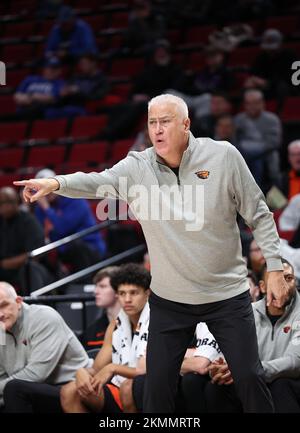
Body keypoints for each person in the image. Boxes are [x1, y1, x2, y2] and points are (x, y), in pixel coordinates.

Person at [14, 93, 289, 413]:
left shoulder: (223, 156)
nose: (156, 130)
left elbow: (259, 214)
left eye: (165, 122)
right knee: (156, 389)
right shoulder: (137, 166)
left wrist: (273, 266)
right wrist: (55, 184)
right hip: (171, 301)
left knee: (249, 378)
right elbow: (97, 181)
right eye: (152, 123)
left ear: (186, 124)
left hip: (226, 294)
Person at [206, 258, 300, 413]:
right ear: (262, 287)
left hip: (289, 380)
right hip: (253, 377)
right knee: (215, 387)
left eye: (288, 278)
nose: (282, 286)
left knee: (280, 385)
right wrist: (220, 369)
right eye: (276, 280)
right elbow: (230, 351)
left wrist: (250, 371)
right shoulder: (248, 312)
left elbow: (294, 362)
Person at [60, 263, 150, 413]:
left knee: (128, 388)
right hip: (119, 386)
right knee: (70, 391)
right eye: (122, 293)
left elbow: (146, 369)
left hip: (148, 385)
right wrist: (81, 372)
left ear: (147, 294)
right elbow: (97, 369)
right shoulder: (115, 325)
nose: (127, 299)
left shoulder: (157, 321)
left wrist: (112, 368)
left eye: (134, 293)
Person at [0, 282, 92, 412]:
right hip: (30, 392)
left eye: (4, 305)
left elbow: (36, 375)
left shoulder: (43, 318)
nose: (0, 314)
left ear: (19, 302)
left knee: (15, 389)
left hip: (74, 388)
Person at [34, 169, 106, 275]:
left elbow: (63, 228)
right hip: (63, 249)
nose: (47, 192)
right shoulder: (39, 209)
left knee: (76, 246)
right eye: (43, 189)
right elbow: (41, 233)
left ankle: (83, 286)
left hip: (90, 248)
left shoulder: (75, 199)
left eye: (49, 187)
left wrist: (46, 207)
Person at [0, 187, 51, 294]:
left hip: (26, 268)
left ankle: (35, 304)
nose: (4, 207)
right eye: (1, 203)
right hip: (4, 269)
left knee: (30, 269)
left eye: (8, 202)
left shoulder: (29, 221)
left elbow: (35, 254)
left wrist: (6, 263)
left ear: (17, 203)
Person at [235, 89, 282, 191]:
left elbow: (274, 143)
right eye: (248, 103)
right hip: (243, 153)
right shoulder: (238, 119)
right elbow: (235, 141)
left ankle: (268, 192)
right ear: (245, 105)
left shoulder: (272, 119)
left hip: (266, 153)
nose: (252, 106)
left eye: (256, 103)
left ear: (262, 103)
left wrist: (254, 149)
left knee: (261, 159)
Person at [81, 266, 120, 351]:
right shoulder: (91, 332)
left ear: (118, 290)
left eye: (102, 286)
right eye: (96, 286)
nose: (96, 291)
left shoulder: (137, 324)